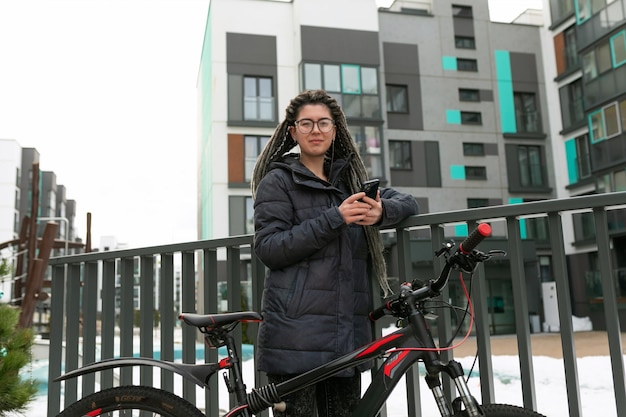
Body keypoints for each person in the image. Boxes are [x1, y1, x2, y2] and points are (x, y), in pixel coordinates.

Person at [251, 89, 419, 417]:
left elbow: (409, 201)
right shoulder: (278, 182)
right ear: (292, 132)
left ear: (335, 130)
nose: (316, 130)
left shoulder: (351, 181)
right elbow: (270, 248)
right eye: (307, 123)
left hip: (346, 339)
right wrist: (335, 218)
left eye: (324, 123)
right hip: (295, 340)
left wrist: (381, 212)